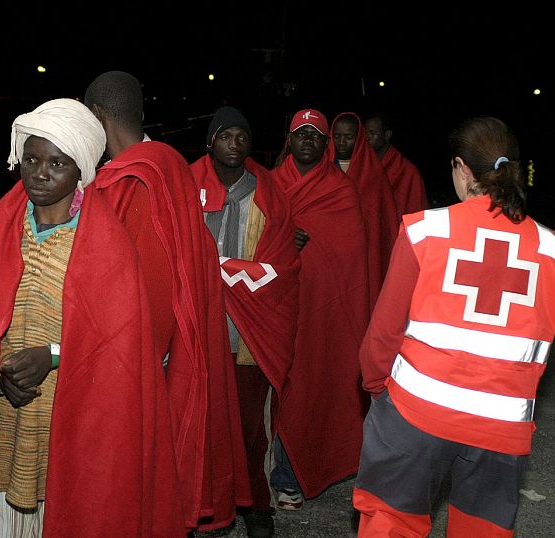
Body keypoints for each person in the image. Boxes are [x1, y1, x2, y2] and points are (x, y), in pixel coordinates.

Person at [0, 98, 187, 537]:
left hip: (71, 413)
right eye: (31, 159)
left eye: (57, 163)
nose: (40, 173)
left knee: (66, 509)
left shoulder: (106, 244)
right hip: (5, 405)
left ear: (81, 171)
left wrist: (52, 355)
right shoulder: (3, 230)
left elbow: (119, 348)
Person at [354, 117, 555, 537]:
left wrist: (379, 392)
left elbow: (383, 333)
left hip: (417, 412)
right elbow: (554, 317)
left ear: (461, 167)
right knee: (481, 530)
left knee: (390, 523)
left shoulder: (425, 230)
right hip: (502, 424)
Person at [83, 71, 250, 533]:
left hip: (142, 359)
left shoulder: (135, 178)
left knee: (142, 478)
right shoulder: (170, 163)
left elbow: (150, 286)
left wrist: (130, 363)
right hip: (173, 345)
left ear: (97, 116)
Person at [190, 105, 300, 538]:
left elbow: (283, 265)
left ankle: (256, 505)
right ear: (210, 142)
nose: (234, 144)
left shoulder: (269, 192)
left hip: (249, 331)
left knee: (250, 428)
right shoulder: (187, 186)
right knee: (202, 425)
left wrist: (219, 269)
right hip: (200, 328)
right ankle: (207, 507)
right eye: (225, 136)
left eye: (242, 136)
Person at [270, 109, 370, 511]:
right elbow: (251, 242)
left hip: (320, 310)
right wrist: (282, 241)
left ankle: (289, 477)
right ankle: (263, 474)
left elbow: (350, 260)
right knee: (271, 389)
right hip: (273, 305)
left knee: (309, 385)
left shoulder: (341, 192)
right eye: (301, 133)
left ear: (327, 144)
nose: (308, 139)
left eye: (316, 134)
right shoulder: (269, 185)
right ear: (289, 139)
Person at [332, 111, 399, 311]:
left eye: (348, 137)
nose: (341, 142)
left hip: (364, 254)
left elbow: (381, 220)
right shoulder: (323, 168)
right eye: (337, 136)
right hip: (331, 254)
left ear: (359, 138)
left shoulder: (374, 172)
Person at [364, 112, 428, 216]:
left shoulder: (407, 171)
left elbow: (417, 210)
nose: (367, 137)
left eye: (372, 133)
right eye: (365, 133)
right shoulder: (363, 166)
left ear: (387, 135)